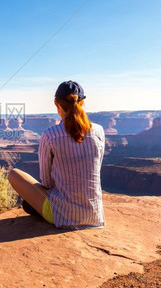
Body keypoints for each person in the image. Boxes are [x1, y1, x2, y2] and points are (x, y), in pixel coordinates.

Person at [8, 80, 105, 229]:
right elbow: (96, 169)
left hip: (62, 215)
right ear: (82, 103)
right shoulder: (99, 131)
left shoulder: (50, 135)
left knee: (14, 174)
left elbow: (47, 183)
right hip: (94, 215)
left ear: (57, 105)